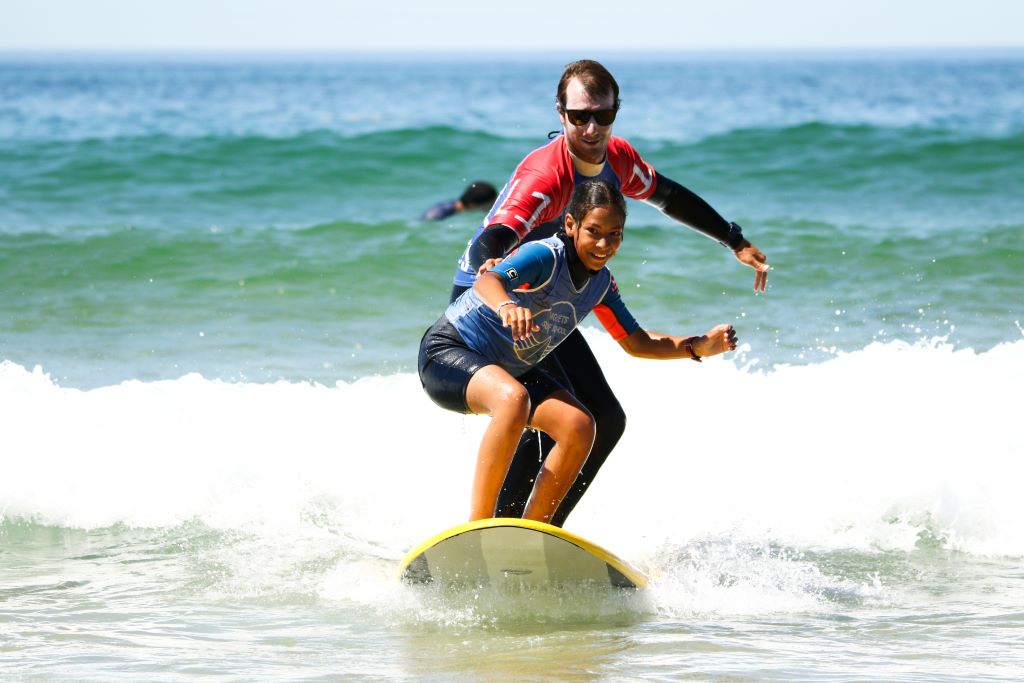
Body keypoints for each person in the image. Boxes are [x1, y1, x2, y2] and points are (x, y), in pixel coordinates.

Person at [446, 60, 770, 526]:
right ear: (561, 114)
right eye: (580, 116)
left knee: (605, 419)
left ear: (616, 110)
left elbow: (669, 196)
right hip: (495, 303)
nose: (592, 128)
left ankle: (542, 531)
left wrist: (733, 240)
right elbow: (496, 234)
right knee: (559, 417)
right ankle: (502, 527)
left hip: (546, 303)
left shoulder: (618, 159)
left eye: (603, 115)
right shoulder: (545, 176)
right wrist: (491, 270)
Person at [420, 180, 738, 523]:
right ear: (571, 225)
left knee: (580, 425)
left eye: (614, 235)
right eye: (593, 231)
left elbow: (638, 342)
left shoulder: (600, 284)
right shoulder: (544, 255)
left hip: (508, 370)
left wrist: (697, 345)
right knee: (514, 400)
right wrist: (507, 306)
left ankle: (534, 530)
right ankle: (480, 525)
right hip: (448, 353)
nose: (604, 245)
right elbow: (488, 281)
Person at [422, 180, 499, 221]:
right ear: (472, 205)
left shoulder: (454, 206)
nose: (492, 208)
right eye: (490, 205)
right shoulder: (437, 215)